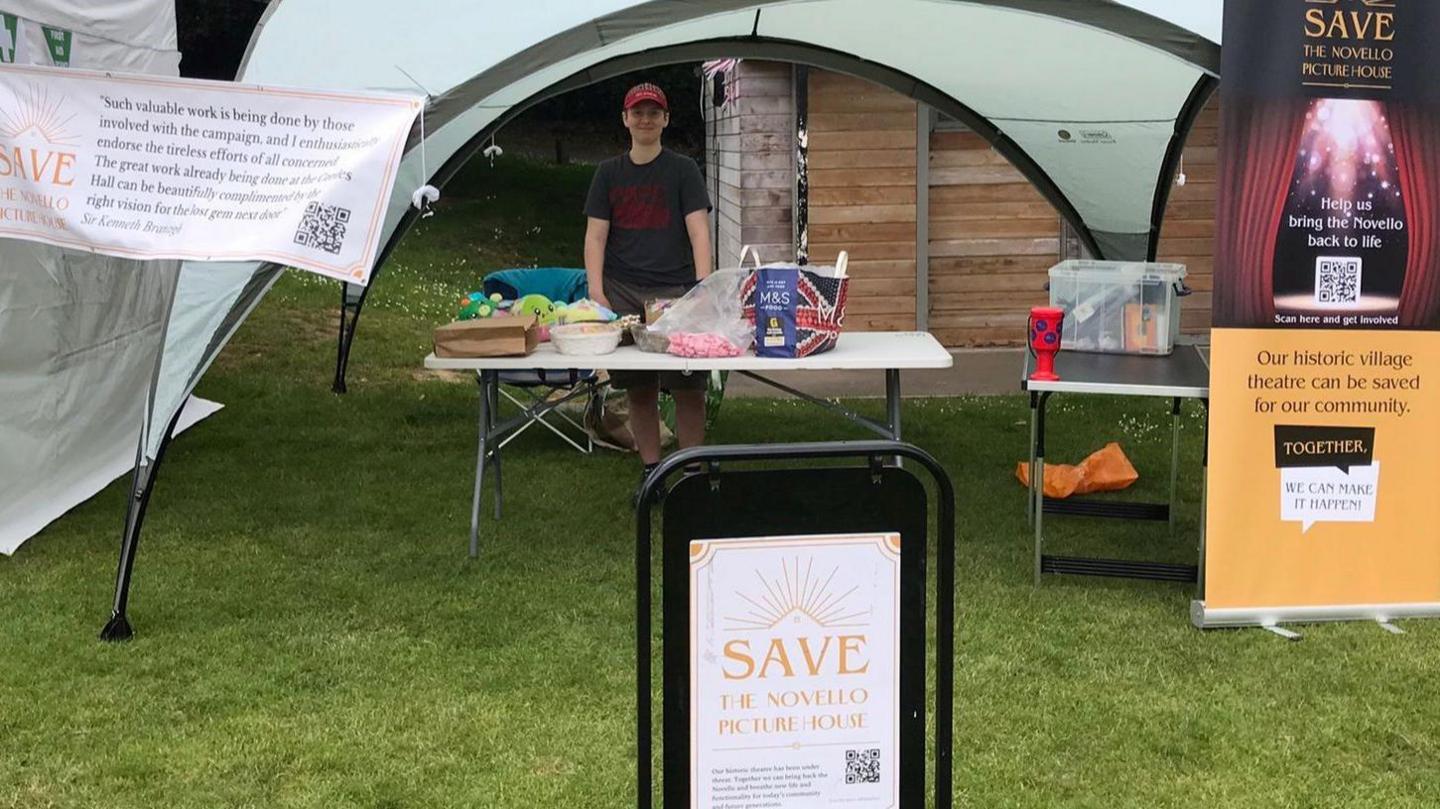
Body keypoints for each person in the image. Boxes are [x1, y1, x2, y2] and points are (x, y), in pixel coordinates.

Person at [583, 82, 713, 485]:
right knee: (638, 386)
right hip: (621, 290)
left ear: (666, 120)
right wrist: (596, 291)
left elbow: (699, 232)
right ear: (625, 119)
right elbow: (595, 236)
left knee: (688, 386)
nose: (645, 119)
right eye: (637, 112)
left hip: (674, 293)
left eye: (653, 112)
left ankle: (691, 471)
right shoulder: (607, 173)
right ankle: (652, 472)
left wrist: (703, 286)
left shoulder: (684, 170)